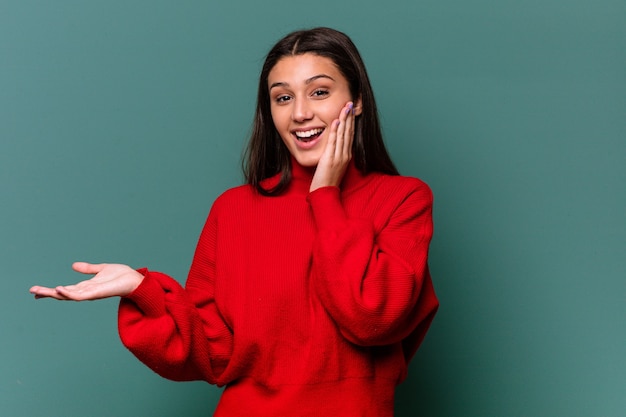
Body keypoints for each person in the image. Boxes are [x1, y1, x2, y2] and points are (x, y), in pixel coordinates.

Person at [30, 27, 438, 417]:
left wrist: (325, 195)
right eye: (282, 98)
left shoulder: (402, 200)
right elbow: (215, 351)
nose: (300, 113)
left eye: (319, 92)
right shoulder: (234, 209)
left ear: (358, 99)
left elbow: (372, 318)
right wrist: (144, 289)